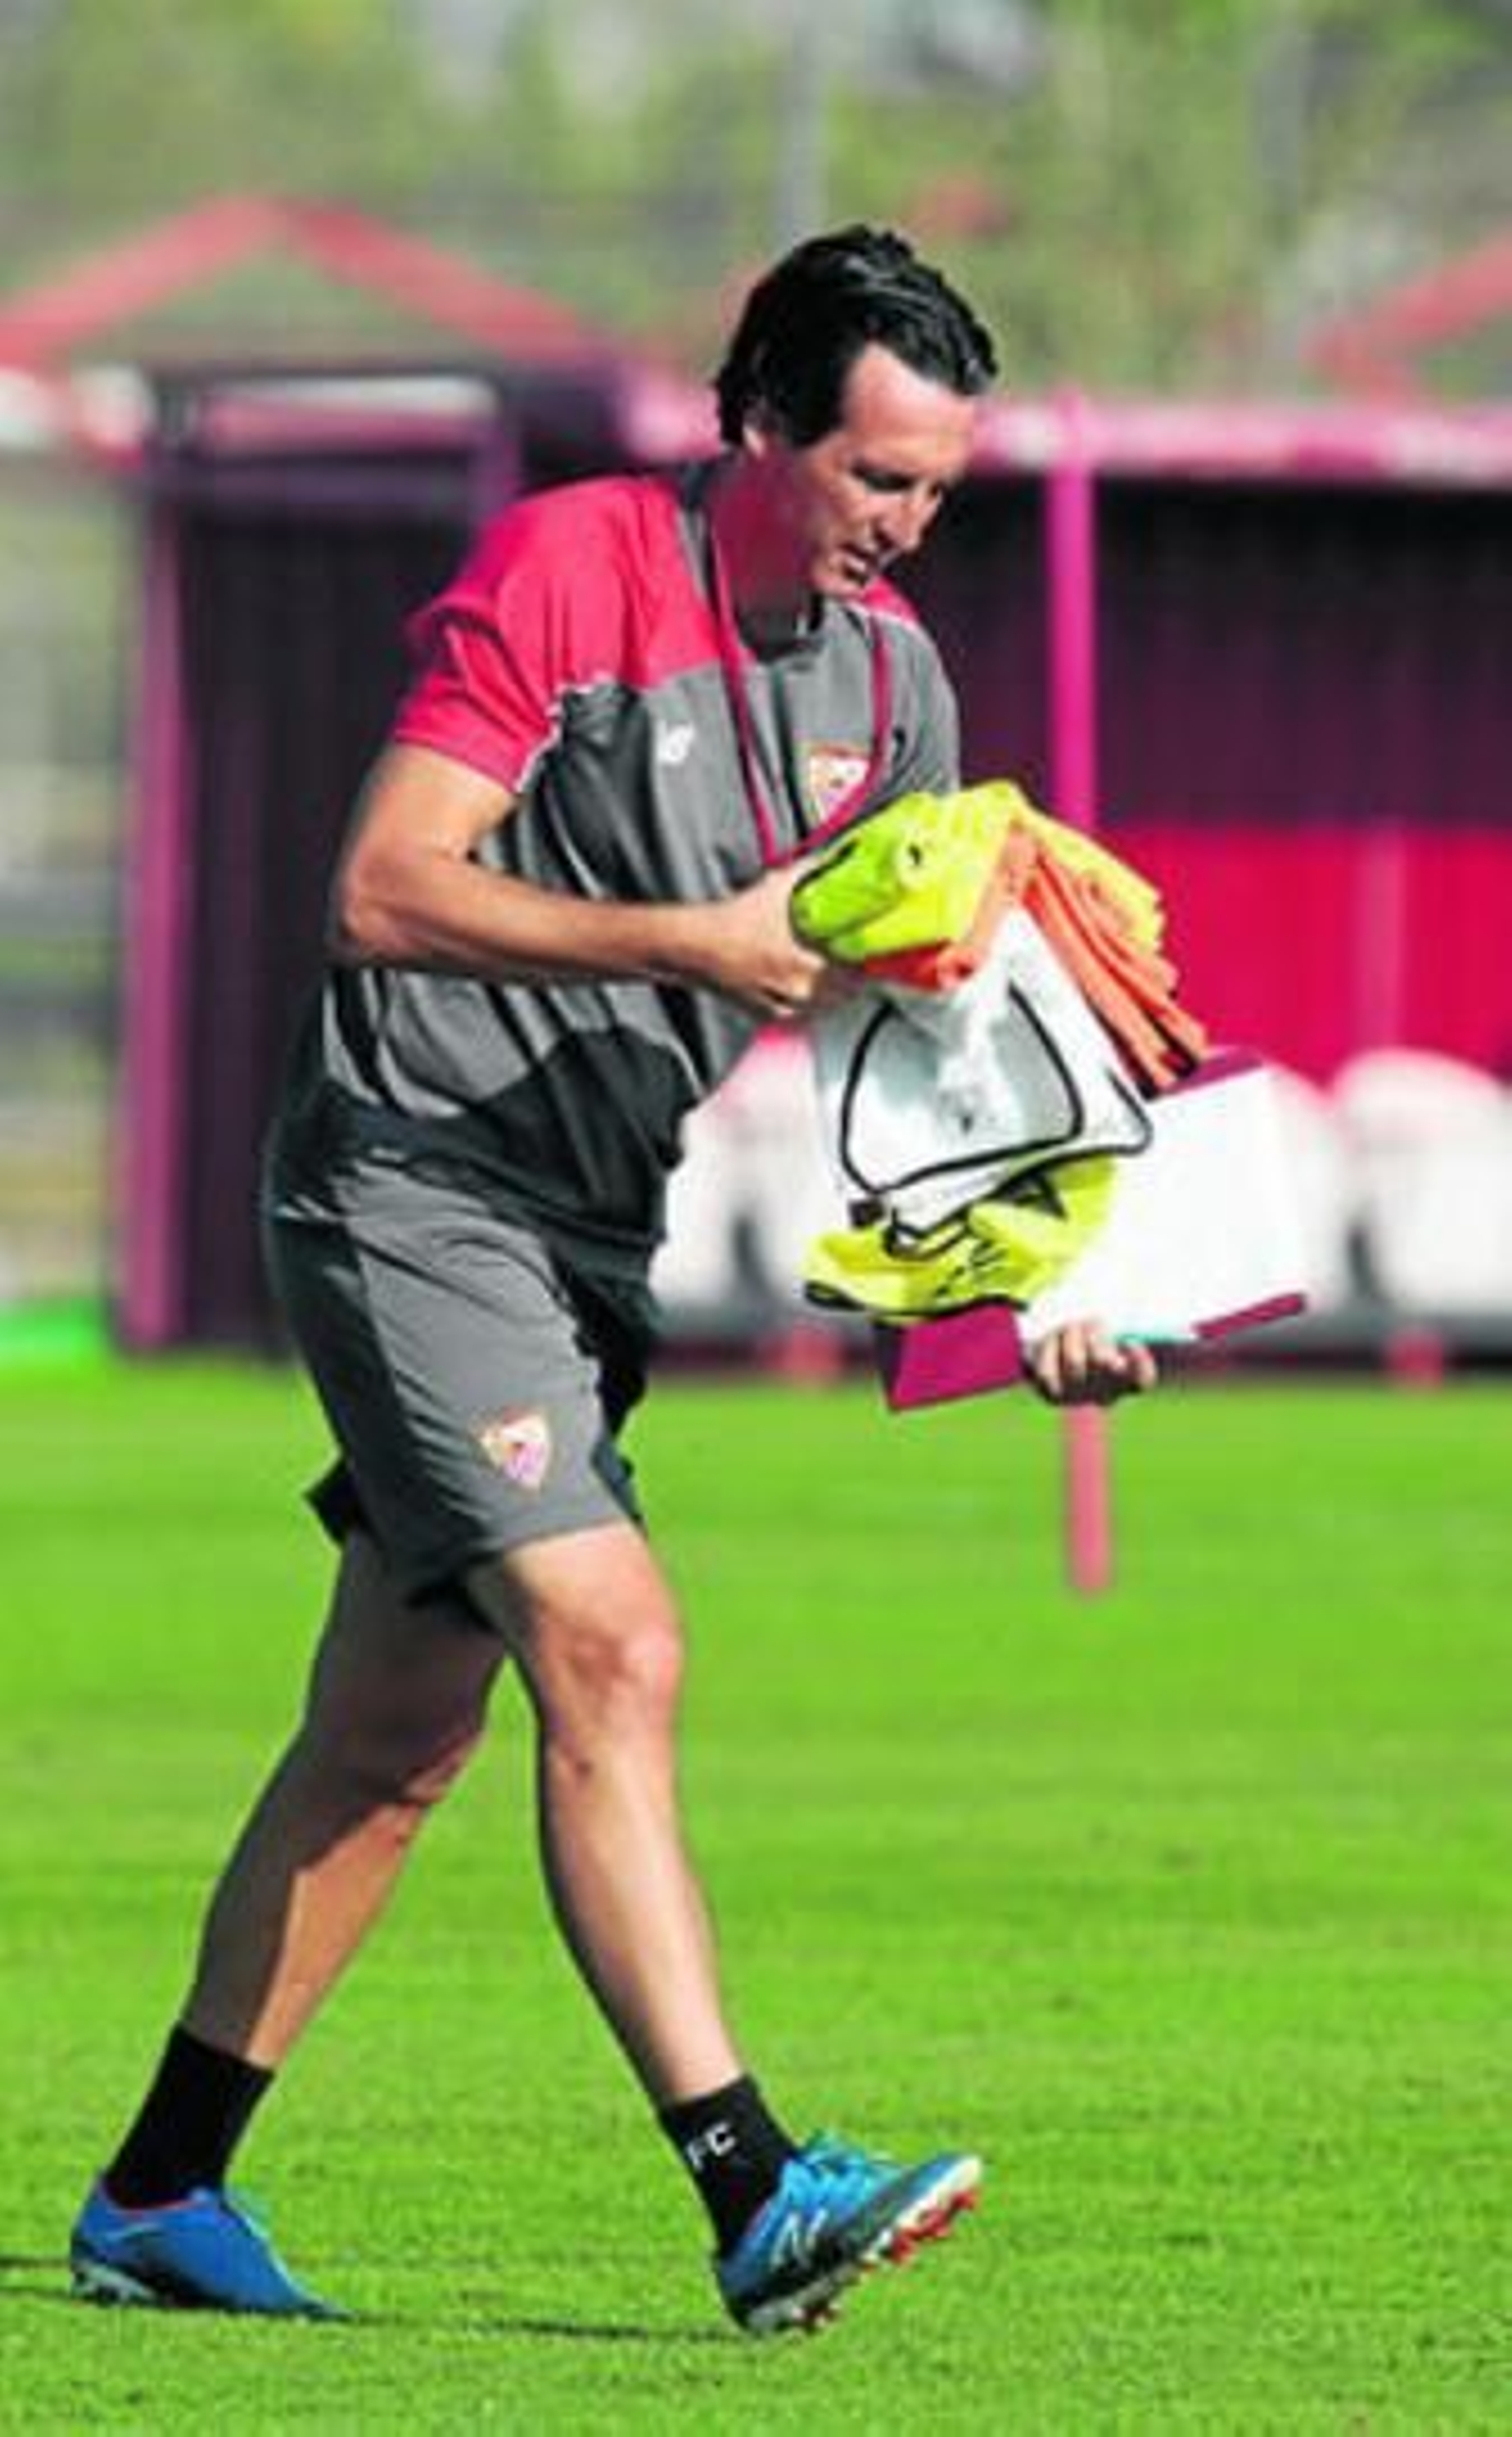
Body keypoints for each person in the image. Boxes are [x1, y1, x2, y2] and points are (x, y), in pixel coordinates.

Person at [71, 226, 1156, 2337]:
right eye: (872, 479)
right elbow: (380, 894)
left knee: (392, 1741)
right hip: (404, 1181)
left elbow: (906, 1066)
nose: (905, 527)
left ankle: (158, 2195)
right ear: (755, 428)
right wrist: (695, 942)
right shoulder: (572, 568)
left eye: (938, 487)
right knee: (612, 1642)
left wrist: (1024, 1306)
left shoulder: (894, 689)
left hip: (575, 1244)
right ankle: (749, 2186)